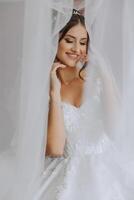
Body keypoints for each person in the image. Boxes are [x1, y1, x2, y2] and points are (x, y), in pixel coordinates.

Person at [34, 9, 125, 200]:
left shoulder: (98, 81)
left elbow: (116, 130)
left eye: (83, 43)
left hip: (107, 173)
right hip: (63, 175)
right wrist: (54, 92)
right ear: (54, 41)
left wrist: (104, 73)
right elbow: (56, 149)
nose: (77, 49)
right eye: (69, 40)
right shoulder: (42, 88)